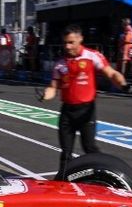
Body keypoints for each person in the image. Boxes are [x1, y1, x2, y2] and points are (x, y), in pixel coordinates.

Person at [40, 24, 127, 180]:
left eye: (71, 42)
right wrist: (45, 95)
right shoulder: (60, 64)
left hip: (86, 111)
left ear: (80, 39)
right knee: (66, 152)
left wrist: (123, 84)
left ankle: (105, 177)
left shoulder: (92, 56)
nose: (67, 46)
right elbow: (53, 87)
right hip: (67, 112)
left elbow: (111, 73)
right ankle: (62, 183)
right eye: (65, 43)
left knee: (90, 148)